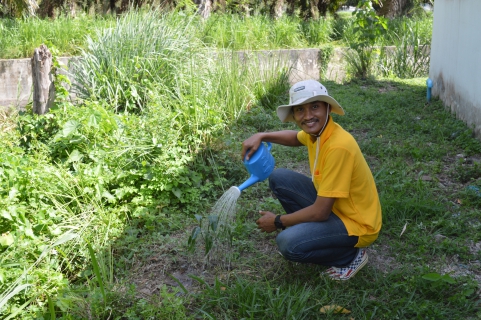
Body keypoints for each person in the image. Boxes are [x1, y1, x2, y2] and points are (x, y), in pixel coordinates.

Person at [241, 80, 382, 280]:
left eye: (314, 107)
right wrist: (263, 136)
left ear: (327, 108)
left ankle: (349, 256)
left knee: (288, 244)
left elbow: (320, 212)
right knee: (279, 177)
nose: (307, 116)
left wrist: (278, 221)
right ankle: (315, 235)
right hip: (336, 209)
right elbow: (295, 137)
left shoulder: (338, 146)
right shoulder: (318, 133)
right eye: (300, 110)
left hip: (357, 223)